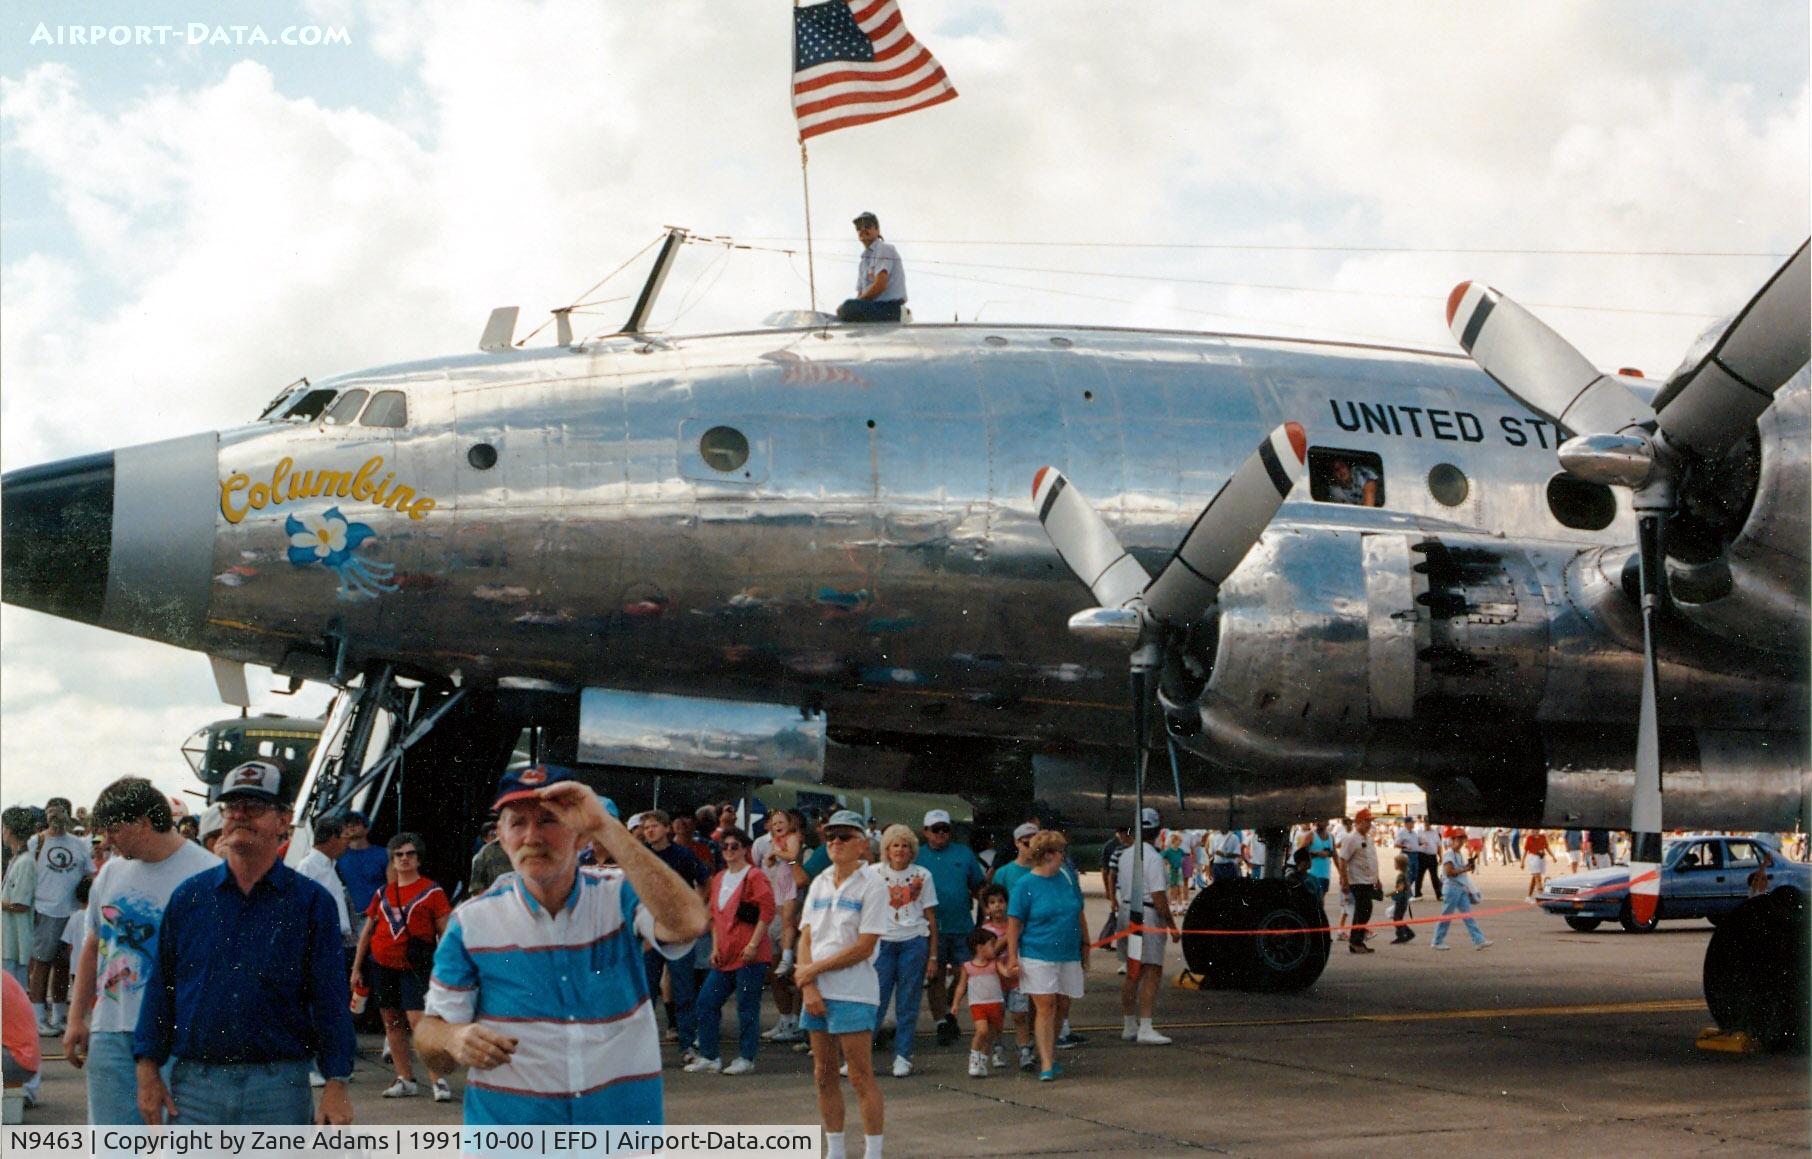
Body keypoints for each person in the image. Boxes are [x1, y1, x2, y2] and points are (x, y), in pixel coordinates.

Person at [416, 764, 707, 1125]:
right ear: (501, 838)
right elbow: (431, 1032)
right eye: (518, 823)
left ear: (581, 837)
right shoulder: (471, 922)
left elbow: (689, 923)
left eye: (549, 820)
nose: (532, 837)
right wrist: (452, 1037)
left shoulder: (619, 893)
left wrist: (606, 826)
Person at [134, 760, 354, 1125]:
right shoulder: (189, 898)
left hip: (278, 1091)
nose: (239, 815)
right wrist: (147, 1068)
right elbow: (161, 989)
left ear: (284, 821)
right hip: (195, 1090)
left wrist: (336, 1082)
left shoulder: (311, 903)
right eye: (231, 806)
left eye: (253, 807)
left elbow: (330, 999)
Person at [62, 778, 219, 1124]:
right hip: (111, 1032)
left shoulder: (208, 874)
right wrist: (76, 1019)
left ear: (144, 823)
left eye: (114, 830)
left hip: (177, 1036)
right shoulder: (110, 874)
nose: (108, 841)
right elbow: (93, 948)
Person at [795, 810, 890, 1159]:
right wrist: (809, 986)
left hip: (854, 992)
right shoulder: (819, 882)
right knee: (823, 1074)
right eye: (830, 836)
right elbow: (806, 936)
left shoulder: (874, 884)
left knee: (860, 1075)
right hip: (817, 991)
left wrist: (810, 971)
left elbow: (864, 946)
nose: (835, 842)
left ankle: (872, 1153)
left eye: (844, 836)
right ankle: (835, 1150)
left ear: (862, 844)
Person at [350, 832, 453, 1101]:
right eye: (399, 855)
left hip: (415, 966)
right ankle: (405, 1078)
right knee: (392, 1022)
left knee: (419, 1023)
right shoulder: (382, 893)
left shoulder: (432, 891)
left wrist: (448, 969)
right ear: (392, 861)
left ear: (418, 858)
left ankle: (438, 1080)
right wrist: (357, 967)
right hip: (382, 964)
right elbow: (367, 931)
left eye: (410, 854)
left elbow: (446, 933)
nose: (404, 859)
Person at [687, 827, 775, 1076]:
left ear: (745, 849)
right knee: (706, 1002)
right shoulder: (719, 878)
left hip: (749, 956)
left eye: (734, 846)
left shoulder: (755, 876)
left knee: (747, 1007)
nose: (728, 850)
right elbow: (716, 917)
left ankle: (746, 1057)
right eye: (724, 846)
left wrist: (753, 945)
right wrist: (715, 948)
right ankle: (709, 1056)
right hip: (725, 954)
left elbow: (767, 912)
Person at [1005, 830, 1087, 1082]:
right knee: (1045, 1004)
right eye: (1061, 851)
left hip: (1068, 951)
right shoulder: (1025, 885)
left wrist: (1085, 944)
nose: (1064, 856)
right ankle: (1047, 1063)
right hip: (1037, 952)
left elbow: (1079, 911)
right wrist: (1012, 956)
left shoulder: (1066, 878)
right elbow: (1014, 923)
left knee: (1062, 1004)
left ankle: (1048, 1051)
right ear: (1049, 854)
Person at [639, 810, 711, 1057]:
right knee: (647, 990)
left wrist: (696, 909)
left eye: (654, 826)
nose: (650, 831)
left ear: (667, 828)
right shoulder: (641, 855)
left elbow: (705, 881)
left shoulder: (683, 854)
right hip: (650, 930)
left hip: (678, 930)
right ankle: (643, 1047)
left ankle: (687, 1044)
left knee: (683, 989)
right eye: (646, 827)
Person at [868, 824, 937, 1077]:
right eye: (895, 845)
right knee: (875, 1000)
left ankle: (903, 1056)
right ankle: (860, 1057)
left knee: (908, 1001)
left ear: (912, 850)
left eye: (905, 845)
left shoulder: (923, 875)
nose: (900, 850)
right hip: (882, 943)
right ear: (887, 849)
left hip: (913, 941)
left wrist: (933, 955)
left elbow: (930, 916)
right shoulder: (873, 873)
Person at [914, 809, 984, 1048]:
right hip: (930, 928)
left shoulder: (964, 854)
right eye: (936, 829)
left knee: (966, 972)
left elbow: (978, 887)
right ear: (926, 832)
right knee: (935, 977)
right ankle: (941, 1022)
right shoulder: (917, 856)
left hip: (961, 925)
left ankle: (949, 1010)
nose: (941, 833)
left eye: (945, 829)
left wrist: (986, 918)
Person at [29, 797, 93, 1034]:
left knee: (63, 965)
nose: (54, 817)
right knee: (42, 964)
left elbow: (89, 873)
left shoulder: (79, 844)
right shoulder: (36, 842)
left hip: (72, 912)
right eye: (51, 813)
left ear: (68, 816)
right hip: (45, 910)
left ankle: (58, 1015)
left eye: (59, 813)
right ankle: (38, 1018)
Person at [1115, 808, 1177, 1046]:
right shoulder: (1153, 858)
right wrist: (1171, 925)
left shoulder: (1125, 855)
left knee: (1133, 972)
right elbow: (1159, 896)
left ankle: (1129, 1024)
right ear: (1158, 831)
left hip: (1127, 912)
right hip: (1147, 914)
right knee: (1151, 971)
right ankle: (1146, 1027)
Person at [754, 810, 805, 1044]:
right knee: (775, 973)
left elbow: (802, 879)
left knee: (795, 973)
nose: (777, 826)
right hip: (771, 912)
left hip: (791, 912)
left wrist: (783, 856)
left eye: (782, 822)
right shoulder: (763, 845)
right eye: (774, 823)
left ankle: (798, 1021)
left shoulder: (797, 845)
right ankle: (785, 1020)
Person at [951, 928, 1007, 1079]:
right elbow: (961, 986)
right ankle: (974, 1060)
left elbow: (1006, 972)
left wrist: (1013, 970)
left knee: (990, 1036)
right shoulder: (968, 967)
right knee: (982, 1031)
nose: (994, 948)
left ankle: (982, 1062)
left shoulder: (995, 964)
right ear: (979, 947)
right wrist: (956, 1003)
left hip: (995, 1003)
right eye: (991, 945)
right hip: (978, 1004)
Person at [836, 212, 907, 324]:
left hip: (890, 308)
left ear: (877, 230)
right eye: (859, 227)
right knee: (845, 310)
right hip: (874, 307)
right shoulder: (863, 262)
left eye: (867, 225)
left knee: (848, 307)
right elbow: (860, 294)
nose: (863, 229)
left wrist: (852, 306)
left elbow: (880, 285)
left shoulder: (884, 249)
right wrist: (855, 305)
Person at [295, 814, 353, 946]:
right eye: (346, 837)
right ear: (333, 838)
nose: (348, 843)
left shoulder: (330, 865)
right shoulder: (307, 867)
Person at [1431, 829, 1492, 951]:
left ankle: (1479, 940)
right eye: (1458, 839)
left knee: (1468, 915)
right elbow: (1449, 872)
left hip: (1461, 888)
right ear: (1452, 840)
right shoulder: (1449, 854)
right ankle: (1437, 941)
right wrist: (1465, 869)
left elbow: (1458, 870)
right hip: (1452, 888)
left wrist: (1467, 867)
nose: (1461, 842)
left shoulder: (1458, 854)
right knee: (1446, 916)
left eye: (1462, 839)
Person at [2, 810, 38, 992]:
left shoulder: (26, 862)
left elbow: (21, 904)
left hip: (16, 944)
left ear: (9, 830)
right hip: (7, 941)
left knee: (14, 992)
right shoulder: (15, 860)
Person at [1336, 808, 1381, 954]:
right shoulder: (1351, 838)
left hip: (1368, 881)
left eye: (1370, 821)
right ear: (1359, 822)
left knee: (1365, 910)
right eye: (1367, 821)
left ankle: (1357, 941)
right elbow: (1343, 859)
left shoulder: (1368, 838)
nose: (1369, 824)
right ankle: (1355, 942)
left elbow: (1371, 860)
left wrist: (1377, 878)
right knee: (1363, 910)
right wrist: (1344, 881)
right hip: (1357, 881)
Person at [335, 812, 389, 921]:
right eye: (347, 824)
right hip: (354, 918)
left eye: (356, 823)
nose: (351, 826)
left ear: (367, 829)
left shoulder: (384, 854)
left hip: (383, 914)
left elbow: (394, 885)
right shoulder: (338, 857)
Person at [466, 820, 511, 898]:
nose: (497, 837)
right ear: (485, 839)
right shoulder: (483, 855)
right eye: (493, 835)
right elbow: (476, 887)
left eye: (498, 833)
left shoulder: (513, 848)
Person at [1388, 852, 1416, 944]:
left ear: (1399, 865)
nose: (1394, 865)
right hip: (1404, 898)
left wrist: (1391, 893)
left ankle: (1402, 935)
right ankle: (1408, 933)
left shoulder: (1401, 875)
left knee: (1397, 919)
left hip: (1401, 899)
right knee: (1398, 918)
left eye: (1395, 863)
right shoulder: (1406, 873)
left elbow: (1400, 889)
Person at [1523, 828, 1554, 897]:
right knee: (1538, 878)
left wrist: (1553, 856)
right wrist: (1522, 862)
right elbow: (1525, 850)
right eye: (1534, 830)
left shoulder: (1543, 837)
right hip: (1533, 859)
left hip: (1541, 859)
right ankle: (1541, 895)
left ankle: (1529, 896)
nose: (1536, 831)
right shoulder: (1529, 838)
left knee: (1534, 879)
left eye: (1537, 829)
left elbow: (1547, 848)